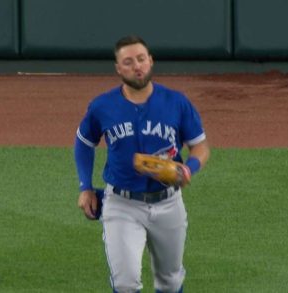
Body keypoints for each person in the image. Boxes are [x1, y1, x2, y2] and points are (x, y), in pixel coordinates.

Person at [74, 35, 210, 293]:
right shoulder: (102, 106)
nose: (137, 66)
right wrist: (85, 186)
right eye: (128, 62)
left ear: (151, 61)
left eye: (141, 59)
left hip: (168, 202)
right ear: (118, 69)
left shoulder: (176, 102)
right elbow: (83, 142)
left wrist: (189, 168)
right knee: (125, 284)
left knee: (170, 281)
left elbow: (200, 147)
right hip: (122, 204)